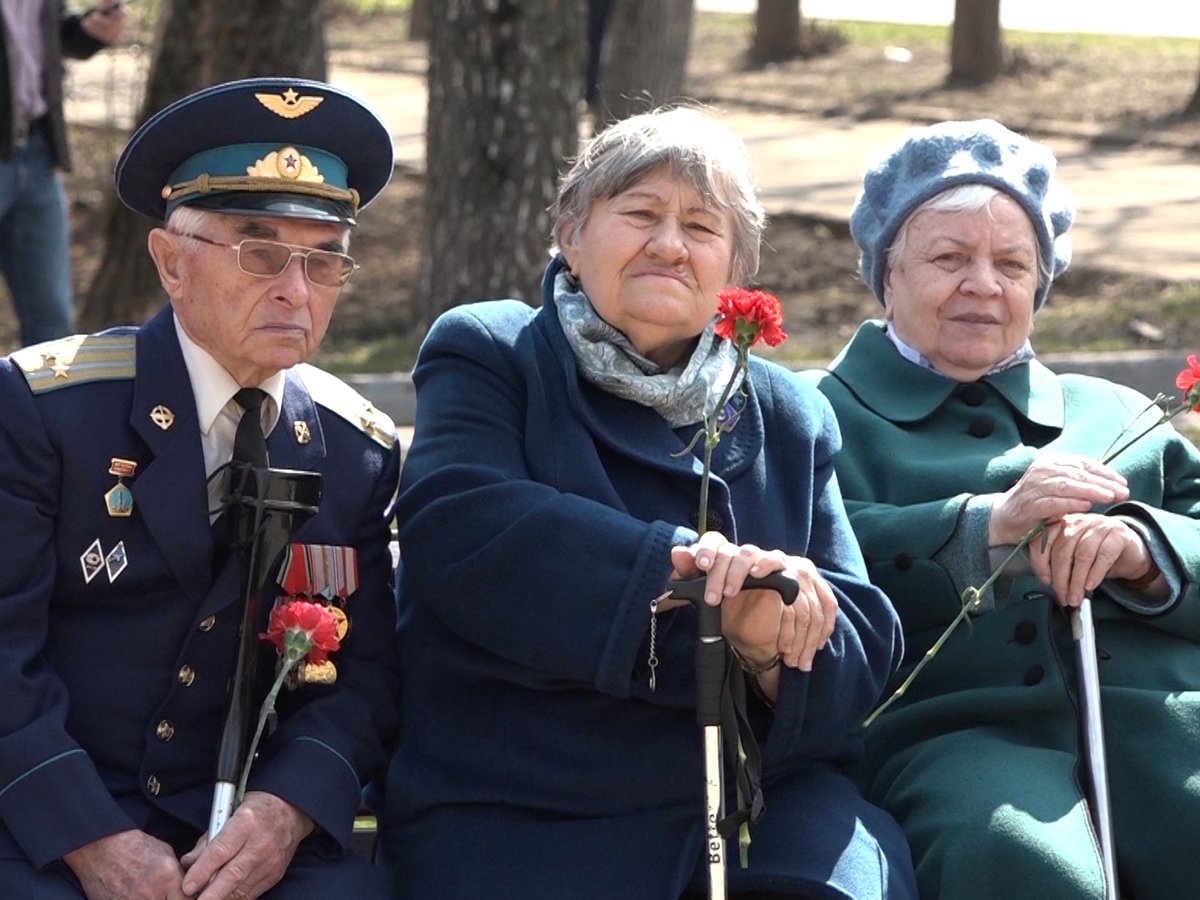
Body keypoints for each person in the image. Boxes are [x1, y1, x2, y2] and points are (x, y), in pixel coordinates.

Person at [377, 105, 916, 899]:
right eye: (639, 213)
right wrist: (701, 581)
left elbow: (859, 638)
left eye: (702, 226)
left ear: (733, 264)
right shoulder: (492, 352)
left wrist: (772, 640)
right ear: (570, 231)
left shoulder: (786, 410)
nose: (670, 243)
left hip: (755, 801)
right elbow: (462, 527)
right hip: (529, 803)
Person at [0, 77, 401, 897]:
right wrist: (90, 836)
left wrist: (286, 812)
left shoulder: (352, 446)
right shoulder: (47, 411)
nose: (296, 289)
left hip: (252, 838)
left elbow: (362, 678)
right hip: (52, 817)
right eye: (260, 254)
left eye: (324, 260)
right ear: (170, 261)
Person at [804, 118, 1200, 899]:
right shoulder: (817, 414)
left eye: (1012, 264)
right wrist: (983, 527)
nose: (984, 284)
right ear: (888, 273)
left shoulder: (1120, 412)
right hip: (956, 735)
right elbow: (812, 563)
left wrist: (1142, 552)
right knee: (1021, 864)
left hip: (1163, 720)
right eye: (950, 258)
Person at [1, 1, 127, 348]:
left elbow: (48, 36)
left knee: (52, 322)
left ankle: (46, 404)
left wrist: (88, 32)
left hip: (38, 154)